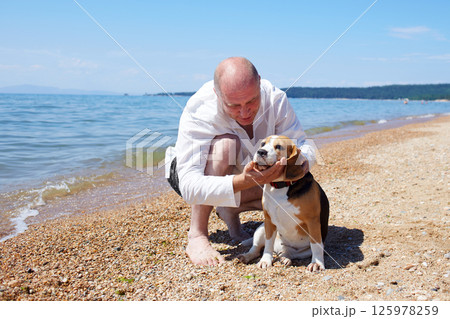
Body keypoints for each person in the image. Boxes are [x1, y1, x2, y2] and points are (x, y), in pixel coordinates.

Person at [165, 57, 316, 266]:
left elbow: (302, 144)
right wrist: (242, 181)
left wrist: (303, 161)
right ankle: (197, 234)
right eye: (234, 105)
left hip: (244, 167)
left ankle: (229, 210)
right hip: (186, 171)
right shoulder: (200, 108)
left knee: (296, 185)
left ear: (260, 84)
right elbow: (189, 186)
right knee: (226, 144)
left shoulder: (276, 99)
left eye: (251, 101)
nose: (245, 112)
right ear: (218, 94)